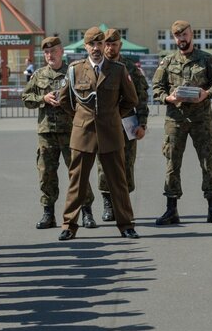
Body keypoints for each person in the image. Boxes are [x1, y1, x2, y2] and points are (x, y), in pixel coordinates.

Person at [57, 26, 139, 240]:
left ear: (105, 45)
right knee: (77, 182)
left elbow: (131, 100)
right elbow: (64, 100)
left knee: (118, 181)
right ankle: (69, 225)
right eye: (91, 44)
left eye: (99, 43)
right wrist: (79, 117)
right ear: (85, 47)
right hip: (83, 133)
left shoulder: (118, 69)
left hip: (111, 133)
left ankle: (126, 225)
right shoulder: (75, 69)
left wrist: (112, 115)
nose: (96, 48)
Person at [152, 20, 212, 225]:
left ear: (191, 34)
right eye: (177, 36)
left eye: (184, 35)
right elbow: (156, 88)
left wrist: (206, 94)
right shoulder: (167, 62)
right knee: (172, 163)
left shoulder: (206, 60)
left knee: (207, 162)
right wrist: (168, 98)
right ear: (173, 38)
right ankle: (171, 209)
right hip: (175, 120)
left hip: (200, 119)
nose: (181, 39)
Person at [22, 36, 96, 229]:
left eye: (53, 51)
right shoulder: (38, 75)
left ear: (61, 51)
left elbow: (86, 97)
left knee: (78, 173)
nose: (49, 55)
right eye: (46, 52)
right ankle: (48, 213)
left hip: (71, 131)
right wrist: (43, 98)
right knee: (46, 173)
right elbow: (26, 98)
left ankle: (87, 212)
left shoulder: (73, 72)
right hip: (46, 132)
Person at [97, 28, 149, 222]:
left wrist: (142, 124)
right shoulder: (97, 66)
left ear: (120, 45)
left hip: (127, 123)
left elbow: (141, 97)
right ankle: (108, 204)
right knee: (103, 165)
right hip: (104, 124)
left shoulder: (130, 68)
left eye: (114, 44)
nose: (110, 48)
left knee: (127, 164)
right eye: (107, 44)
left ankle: (123, 205)